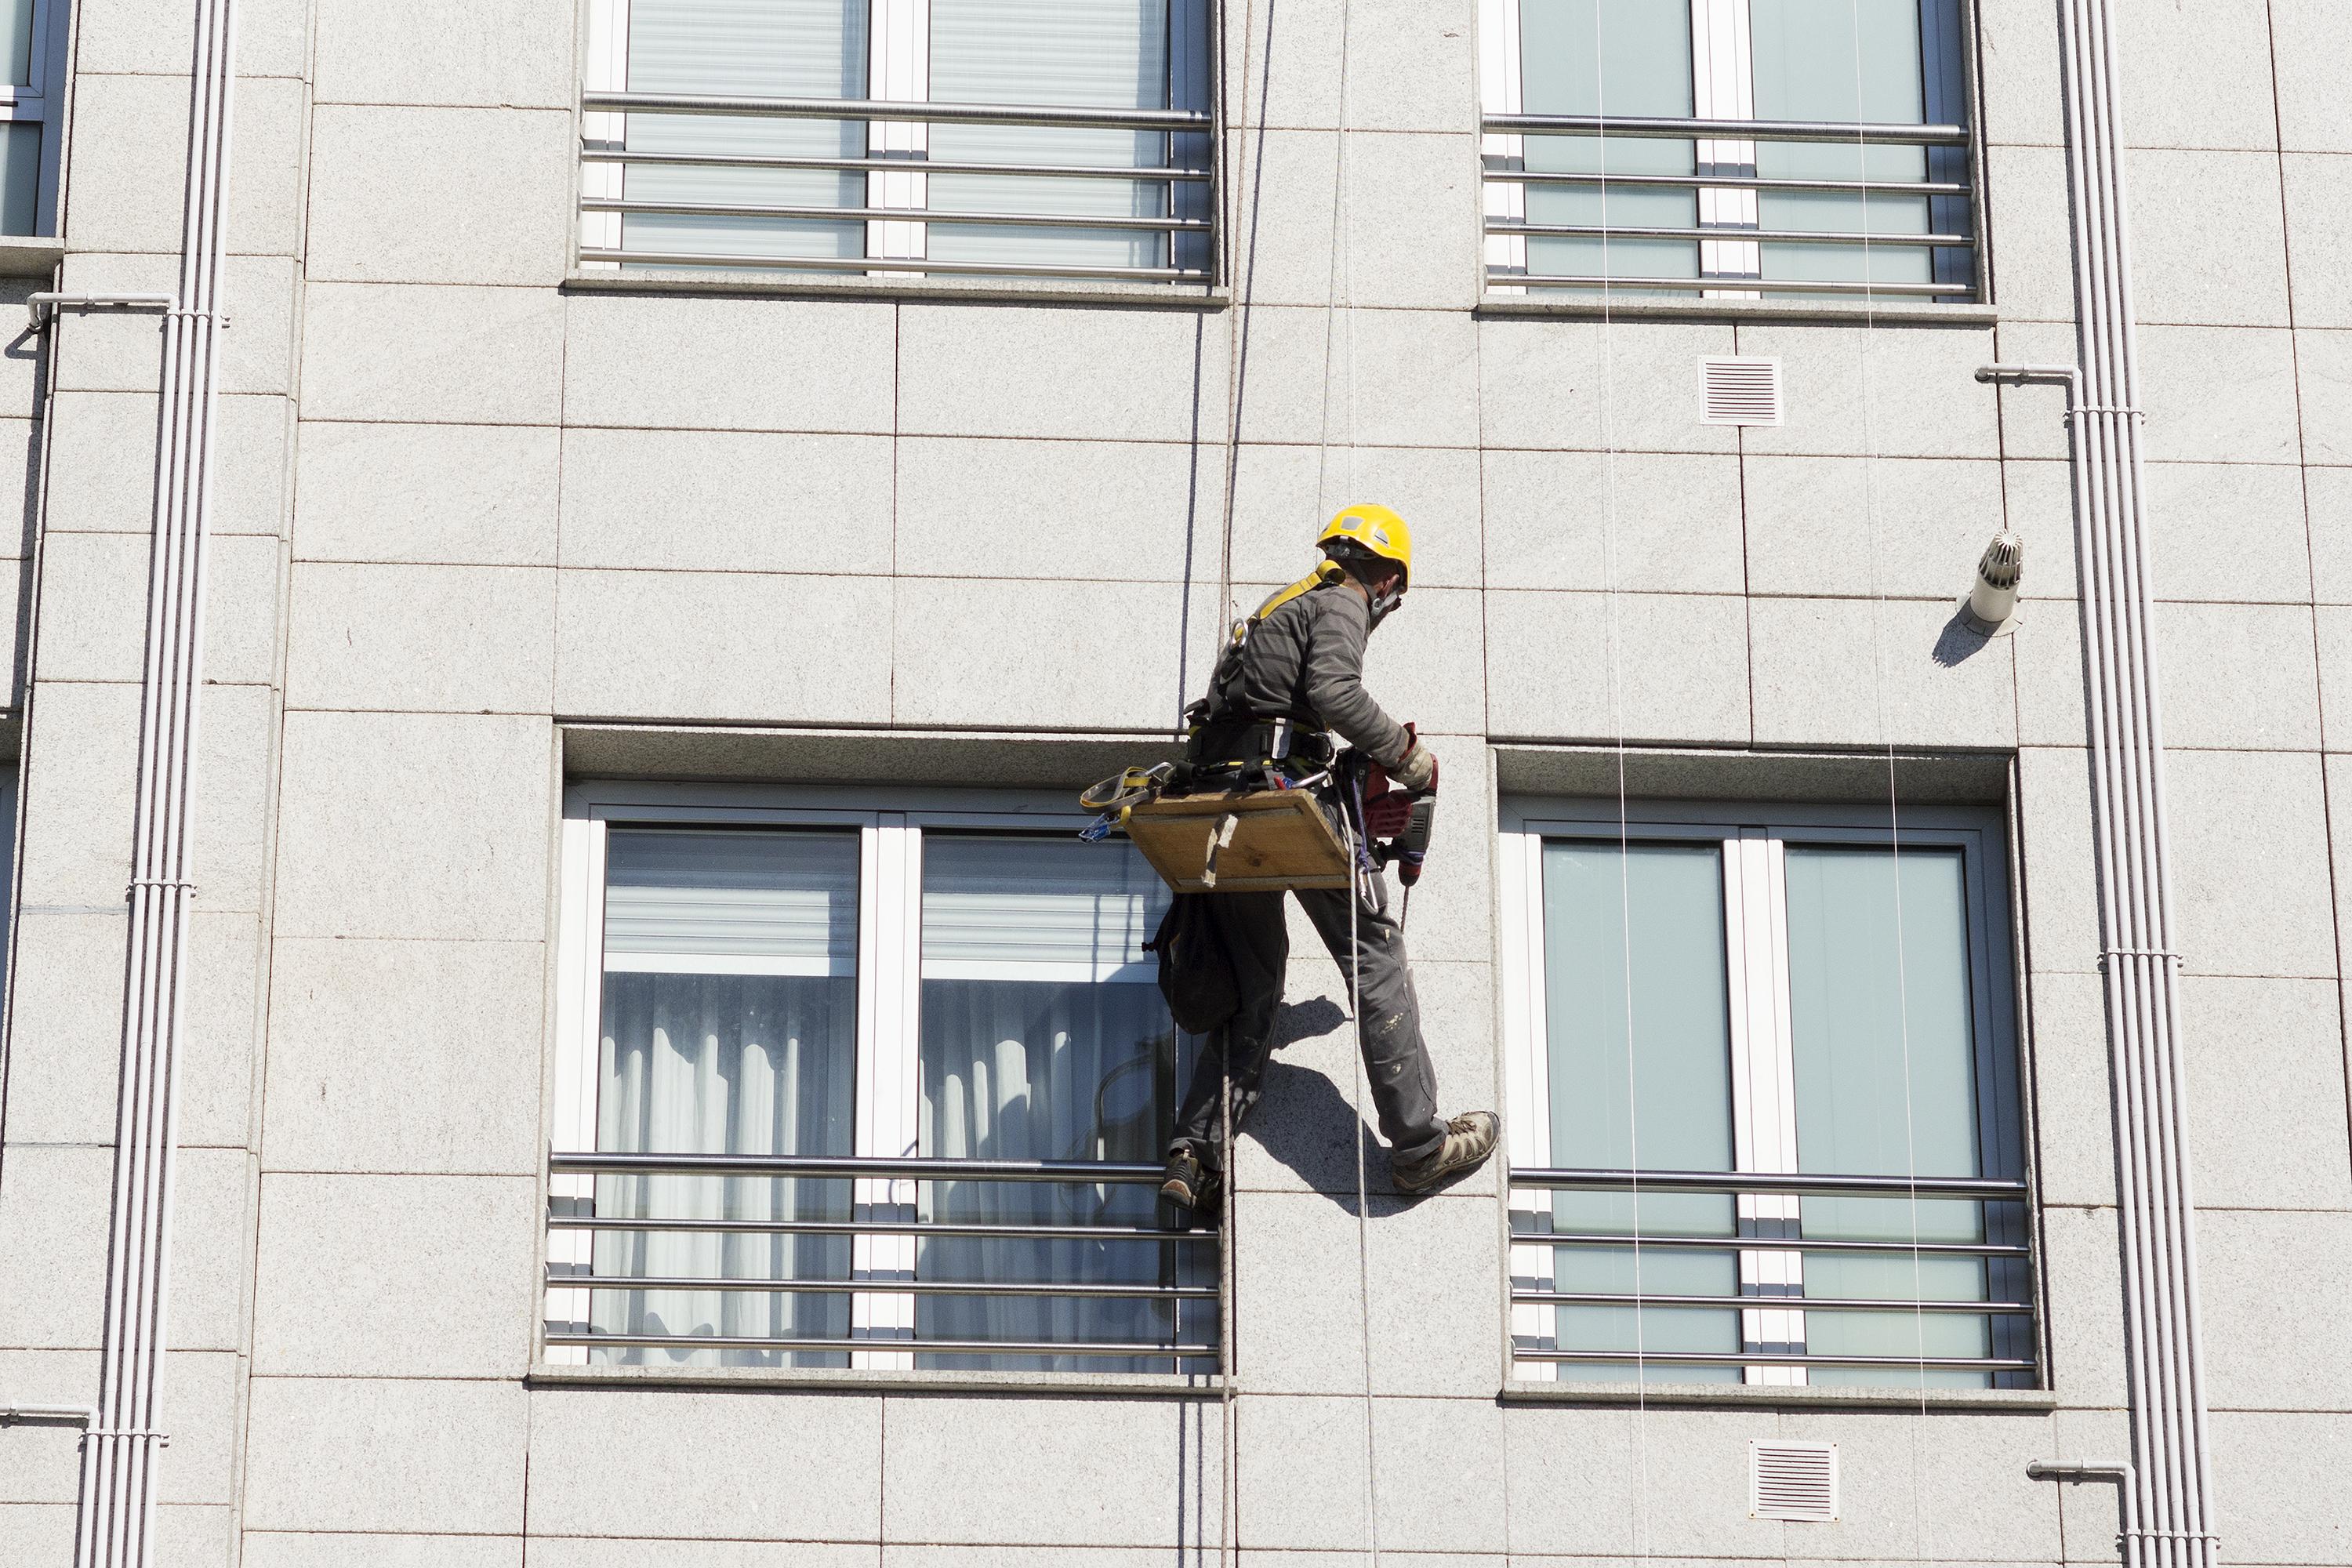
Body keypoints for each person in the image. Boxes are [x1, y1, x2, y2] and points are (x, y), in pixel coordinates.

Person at [1160, 504, 1499, 1212]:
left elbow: (1274, 706)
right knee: (1374, 949)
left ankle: (1194, 1151)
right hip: (1283, 802)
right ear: (1388, 577)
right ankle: (1419, 1145)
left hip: (1225, 806)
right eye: (1394, 596)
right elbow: (1334, 692)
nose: (1385, 609)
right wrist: (1408, 760)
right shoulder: (1342, 597)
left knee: (1257, 988)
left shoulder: (1277, 611)